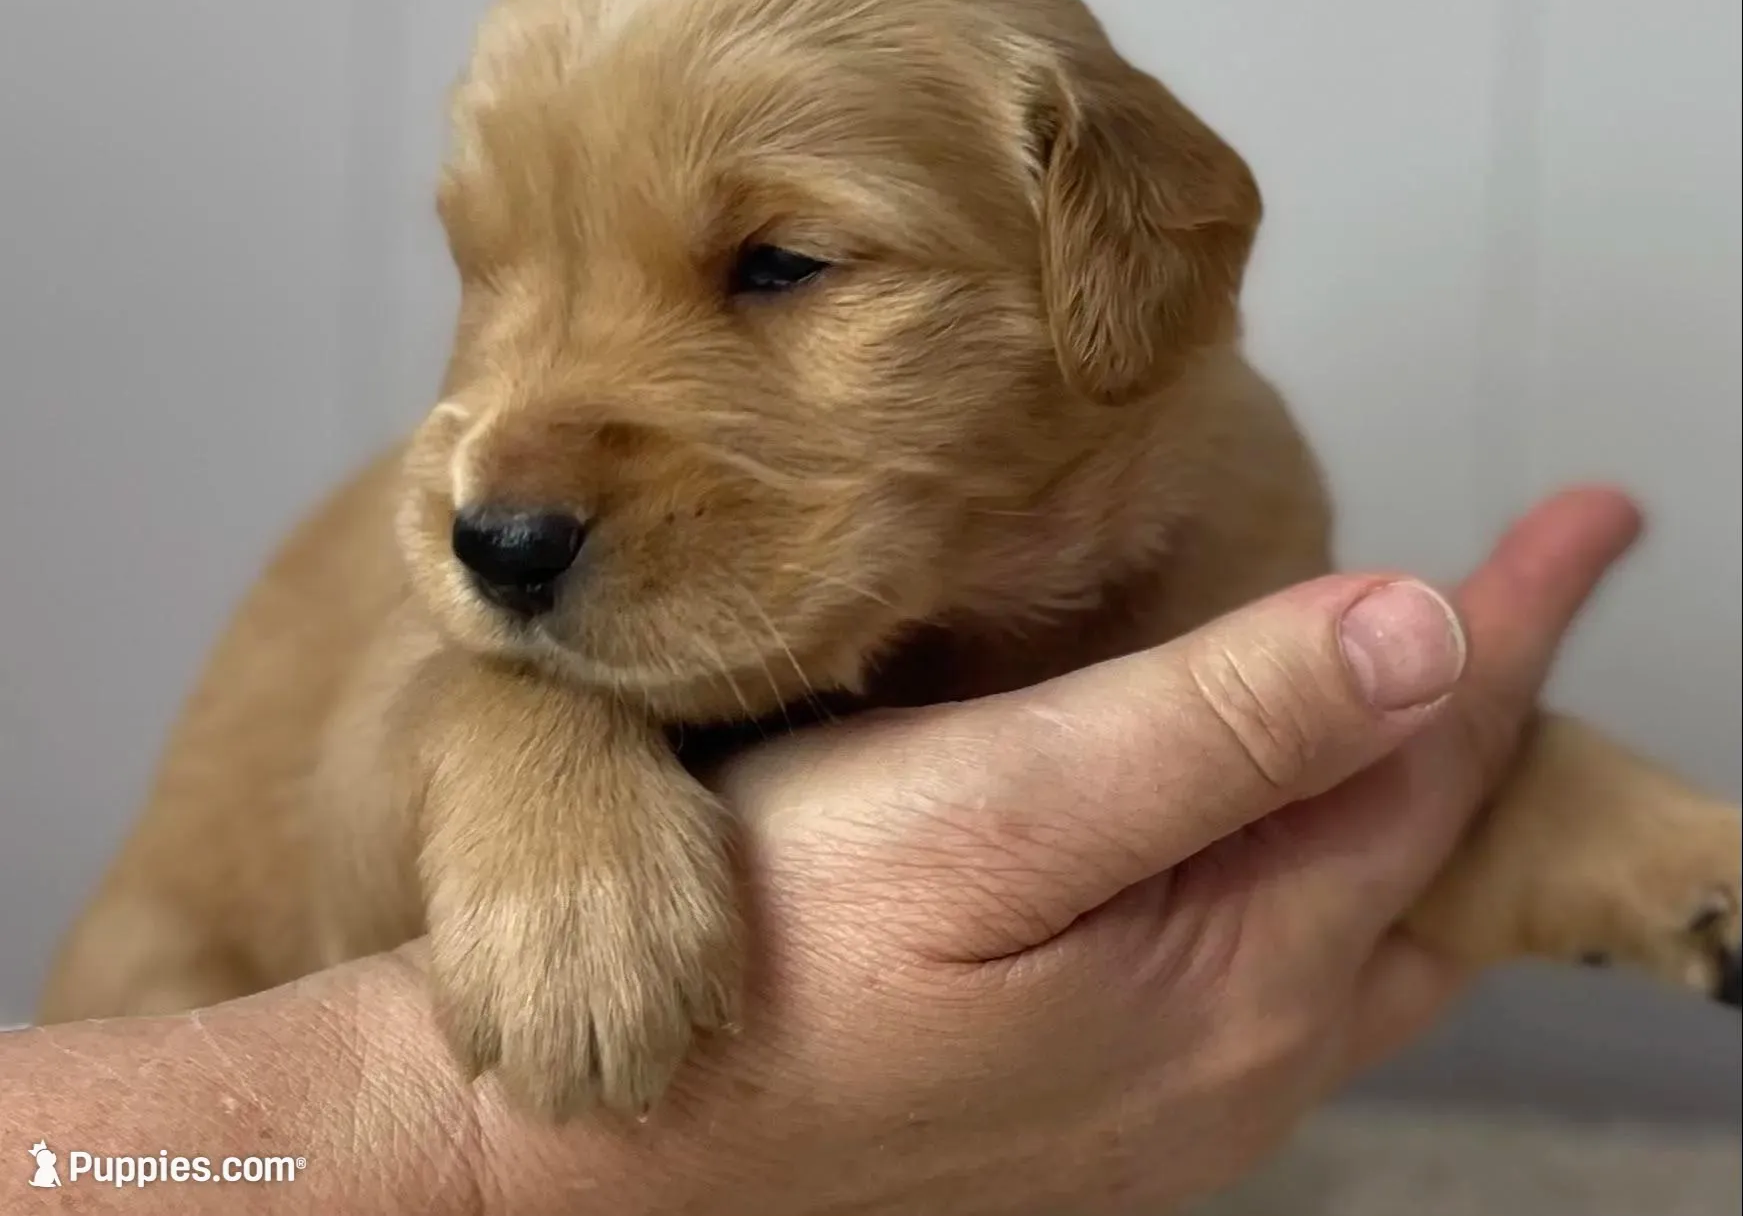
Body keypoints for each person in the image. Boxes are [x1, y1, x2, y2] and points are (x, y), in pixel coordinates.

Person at [1, 487, 1642, 1216]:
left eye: (775, 267)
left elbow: (1267, 821)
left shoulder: (1196, 490)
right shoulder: (530, 540)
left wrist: (1544, 805)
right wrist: (475, 1160)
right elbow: (369, 851)